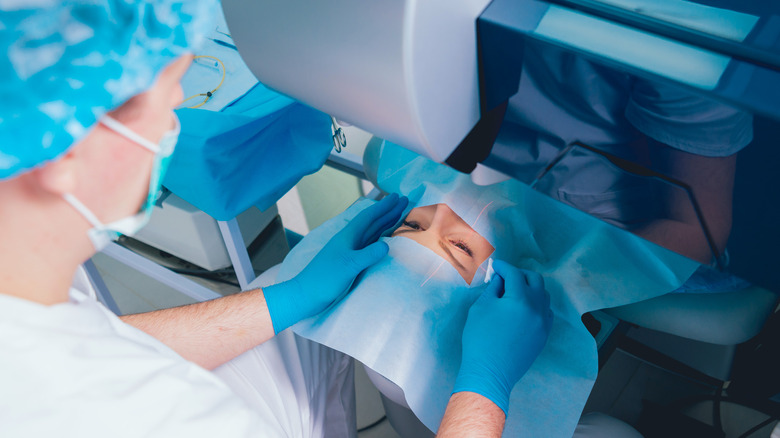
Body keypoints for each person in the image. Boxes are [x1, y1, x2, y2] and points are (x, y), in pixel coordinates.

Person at [0, 2, 552, 437]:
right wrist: (484, 387)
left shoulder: (25, 293)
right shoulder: (176, 415)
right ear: (66, 155)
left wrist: (284, 300)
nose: (171, 131)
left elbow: (97, 347)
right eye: (166, 105)